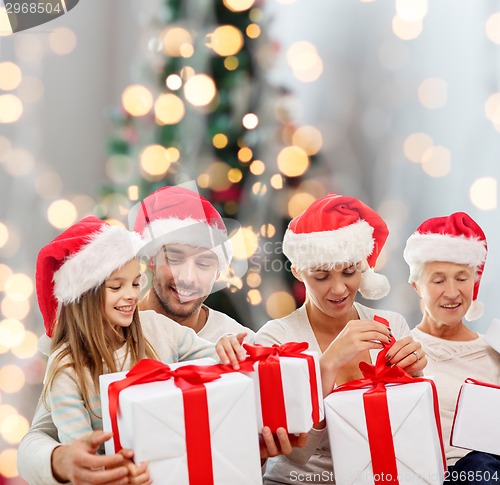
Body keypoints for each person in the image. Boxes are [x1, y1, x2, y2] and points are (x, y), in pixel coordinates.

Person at [22, 216, 245, 484]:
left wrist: (224, 347)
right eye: (116, 287)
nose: (130, 295)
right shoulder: (68, 367)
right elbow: (84, 454)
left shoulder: (155, 326)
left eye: (136, 284)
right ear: (84, 295)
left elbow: (216, 361)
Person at [256, 193, 427, 484]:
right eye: (321, 276)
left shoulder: (391, 325)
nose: (338, 289)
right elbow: (293, 455)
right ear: (298, 271)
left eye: (349, 272)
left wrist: (417, 377)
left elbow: (413, 435)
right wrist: (328, 365)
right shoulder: (276, 340)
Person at [403, 211, 500, 484]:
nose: (452, 292)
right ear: (416, 286)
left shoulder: (495, 353)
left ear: (475, 281)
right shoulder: (403, 351)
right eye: (438, 280)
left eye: (461, 278)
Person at [133, 185, 256, 342]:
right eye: (175, 260)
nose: (188, 278)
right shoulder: (111, 333)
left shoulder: (241, 343)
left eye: (203, 264)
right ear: (152, 260)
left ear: (218, 272)